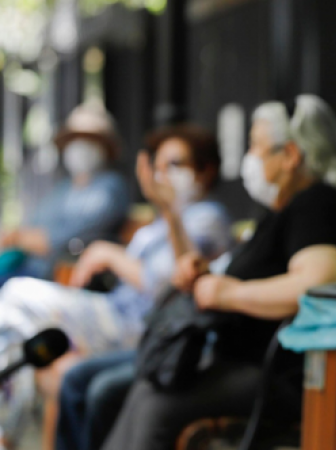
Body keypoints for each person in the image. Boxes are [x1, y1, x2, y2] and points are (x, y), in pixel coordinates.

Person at [90, 95, 336, 450]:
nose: (250, 159)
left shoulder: (316, 204)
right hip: (254, 365)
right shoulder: (289, 208)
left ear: (290, 156)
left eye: (256, 147)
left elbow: (323, 282)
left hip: (289, 377)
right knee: (148, 390)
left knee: (157, 403)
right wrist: (210, 275)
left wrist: (228, 293)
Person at [0, 124, 231, 449]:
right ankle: (8, 426)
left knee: (17, 295)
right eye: (160, 166)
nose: (164, 175)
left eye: (176, 165)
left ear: (206, 171)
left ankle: (6, 428)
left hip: (142, 328)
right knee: (25, 335)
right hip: (113, 312)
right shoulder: (160, 218)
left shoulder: (207, 216)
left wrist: (110, 252)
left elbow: (171, 281)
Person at [0, 102, 129, 285]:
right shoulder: (63, 188)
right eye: (75, 139)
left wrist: (20, 238)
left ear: (105, 147)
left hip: (57, 277)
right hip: (29, 269)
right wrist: (17, 237)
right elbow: (32, 226)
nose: (81, 147)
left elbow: (62, 240)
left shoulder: (111, 187)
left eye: (90, 140)